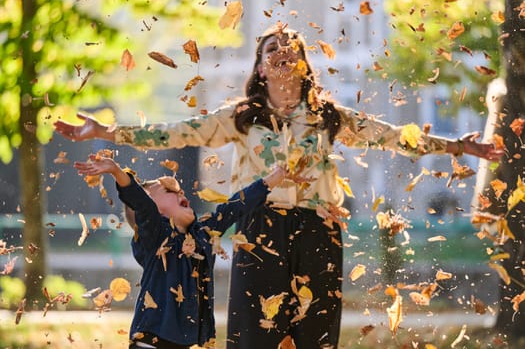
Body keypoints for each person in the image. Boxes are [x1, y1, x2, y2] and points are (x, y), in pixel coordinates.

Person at [56, 23, 503, 349]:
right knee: (254, 336)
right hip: (260, 231)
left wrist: (457, 148)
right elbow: (177, 132)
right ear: (261, 67)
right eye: (272, 47)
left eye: (292, 46)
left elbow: (391, 137)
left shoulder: (330, 117)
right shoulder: (242, 117)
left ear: (305, 64)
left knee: (316, 334)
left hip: (319, 229)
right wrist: (105, 132)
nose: (282, 51)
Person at [73, 153, 286, 349]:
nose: (180, 191)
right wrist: (118, 172)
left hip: (183, 342)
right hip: (150, 340)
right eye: (168, 190)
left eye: (179, 190)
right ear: (155, 210)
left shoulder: (203, 231)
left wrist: (272, 180)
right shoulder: (156, 236)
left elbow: (233, 207)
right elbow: (141, 203)